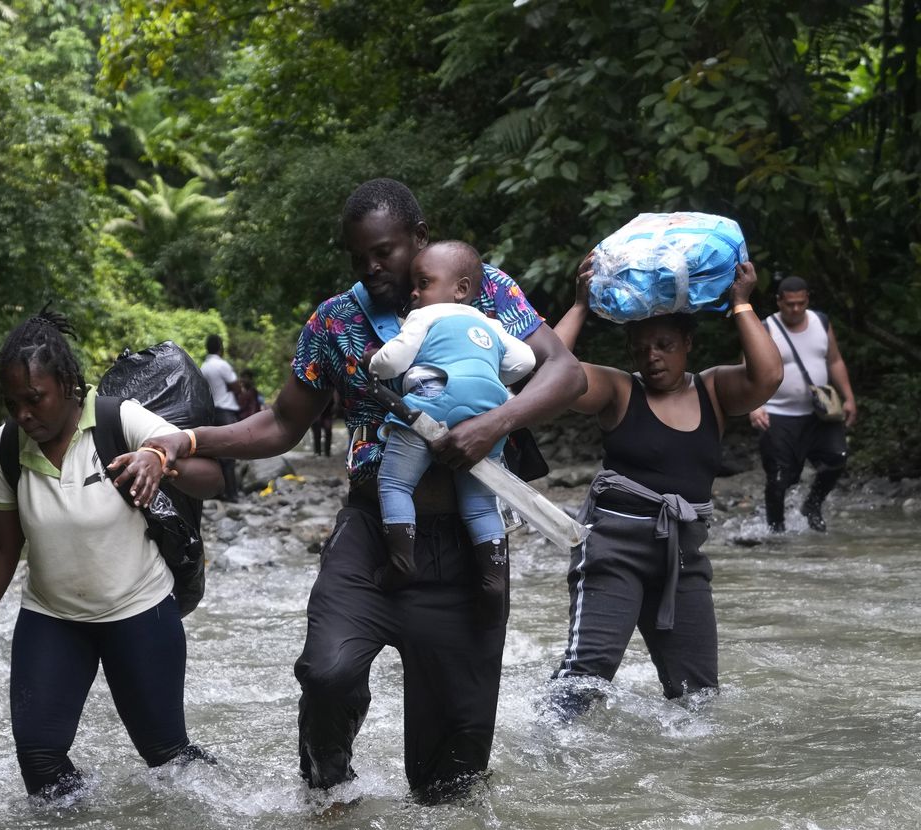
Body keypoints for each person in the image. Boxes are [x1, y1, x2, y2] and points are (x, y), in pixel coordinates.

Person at [142, 178, 585, 802]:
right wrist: (183, 441)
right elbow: (280, 424)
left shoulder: (482, 290)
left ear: (420, 238)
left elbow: (565, 373)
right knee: (327, 671)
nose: (372, 268)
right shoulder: (335, 320)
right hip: (373, 528)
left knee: (450, 783)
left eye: (384, 252)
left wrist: (494, 425)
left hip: (468, 541)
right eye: (359, 257)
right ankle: (330, 791)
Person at [0, 312, 222, 799]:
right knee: (39, 757)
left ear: (69, 384)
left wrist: (161, 462)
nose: (23, 415)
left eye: (34, 400)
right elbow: (1, 545)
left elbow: (215, 476)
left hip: (138, 610)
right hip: (52, 616)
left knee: (166, 753)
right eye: (12, 404)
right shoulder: (7, 446)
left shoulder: (120, 419)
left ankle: (235, 806)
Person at [547, 259, 781, 714]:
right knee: (584, 680)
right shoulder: (618, 390)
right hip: (612, 551)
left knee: (699, 697)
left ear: (687, 345)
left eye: (664, 345)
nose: (652, 356)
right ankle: (544, 753)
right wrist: (580, 303)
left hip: (682, 558)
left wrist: (741, 304)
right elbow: (552, 373)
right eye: (641, 348)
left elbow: (768, 376)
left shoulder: (713, 390)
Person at [367, 240, 536, 609]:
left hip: (435, 399)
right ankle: (493, 577)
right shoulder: (489, 322)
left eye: (423, 283)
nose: (414, 292)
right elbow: (525, 361)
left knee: (395, 482)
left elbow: (393, 361)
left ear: (459, 289)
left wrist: (373, 364)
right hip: (488, 413)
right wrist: (491, 370)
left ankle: (401, 561)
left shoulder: (424, 316)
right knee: (478, 502)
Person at [749, 275, 857, 532]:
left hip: (818, 413)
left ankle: (812, 505)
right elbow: (748, 370)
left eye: (800, 303)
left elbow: (834, 361)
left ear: (807, 299)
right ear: (779, 302)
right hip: (778, 413)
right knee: (779, 478)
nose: (795, 309)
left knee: (837, 459)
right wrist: (754, 406)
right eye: (789, 304)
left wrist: (849, 397)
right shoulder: (765, 328)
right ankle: (776, 530)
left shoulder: (821, 322)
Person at [199, 334, 242, 502]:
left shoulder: (204, 366)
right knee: (229, 454)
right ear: (220, 347)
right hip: (225, 411)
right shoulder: (221, 365)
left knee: (215, 453)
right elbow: (236, 386)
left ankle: (218, 492)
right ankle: (232, 494)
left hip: (211, 412)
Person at [309, 390, 337, 457]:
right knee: (317, 432)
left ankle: (327, 452)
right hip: (316, 409)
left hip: (327, 410)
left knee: (327, 432)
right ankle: (318, 452)